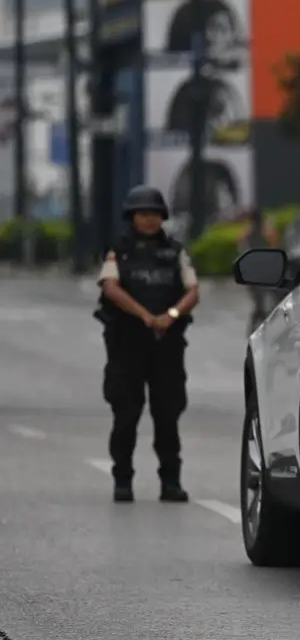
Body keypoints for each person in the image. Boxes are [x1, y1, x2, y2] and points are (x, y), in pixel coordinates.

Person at [95, 185, 199, 504]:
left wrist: (168, 316)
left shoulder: (175, 251)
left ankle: (170, 481)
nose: (150, 220)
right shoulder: (119, 251)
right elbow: (110, 288)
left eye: (155, 214)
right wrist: (144, 316)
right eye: (143, 214)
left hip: (166, 344)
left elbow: (192, 290)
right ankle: (122, 479)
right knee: (126, 412)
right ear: (132, 216)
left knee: (167, 413)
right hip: (127, 343)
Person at [237, 206, 280, 332]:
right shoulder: (265, 230)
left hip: (253, 271)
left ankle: (256, 326)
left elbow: (240, 243)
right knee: (268, 300)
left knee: (260, 302)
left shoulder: (249, 231)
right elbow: (275, 245)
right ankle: (260, 326)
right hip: (264, 270)